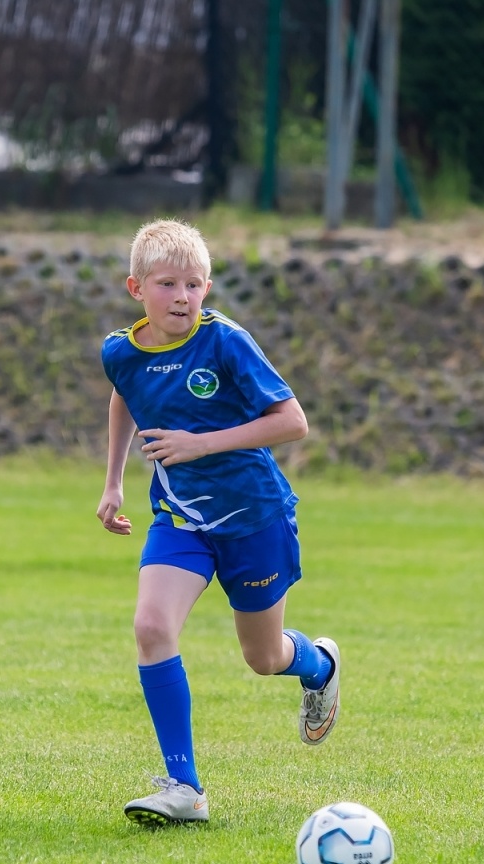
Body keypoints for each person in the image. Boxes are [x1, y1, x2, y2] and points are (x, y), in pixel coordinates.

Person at [96, 219, 342, 827]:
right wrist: (112, 481)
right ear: (136, 289)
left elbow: (292, 421)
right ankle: (185, 787)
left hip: (254, 515)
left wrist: (200, 444)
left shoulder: (227, 341)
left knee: (262, 658)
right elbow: (124, 393)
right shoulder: (120, 351)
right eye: (168, 284)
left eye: (195, 284)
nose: (183, 296)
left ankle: (319, 666)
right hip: (180, 517)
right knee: (151, 626)